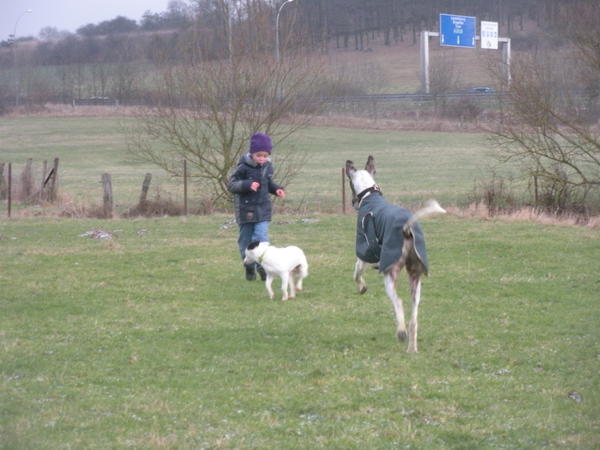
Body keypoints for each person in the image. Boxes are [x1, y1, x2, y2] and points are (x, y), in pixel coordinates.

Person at [228, 133, 286, 281]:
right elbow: (232, 185)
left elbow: (268, 183)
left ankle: (263, 268)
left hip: (263, 210)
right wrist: (247, 185)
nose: (262, 158)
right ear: (252, 153)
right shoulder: (243, 167)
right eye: (259, 155)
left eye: (265, 155)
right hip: (246, 211)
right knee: (245, 242)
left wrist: (276, 189)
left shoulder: (267, 166)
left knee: (261, 238)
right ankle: (249, 267)